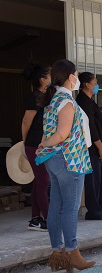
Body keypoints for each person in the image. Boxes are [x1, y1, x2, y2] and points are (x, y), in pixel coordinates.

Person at [35, 59, 96, 272]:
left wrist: (43, 146)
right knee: (70, 208)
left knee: (56, 207)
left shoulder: (53, 100)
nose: (78, 78)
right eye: (77, 75)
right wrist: (44, 143)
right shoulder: (67, 102)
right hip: (70, 159)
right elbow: (62, 134)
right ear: (71, 77)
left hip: (54, 160)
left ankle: (57, 254)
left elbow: (50, 131)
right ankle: (73, 253)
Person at [76, 72, 102, 220]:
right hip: (91, 148)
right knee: (93, 180)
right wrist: (100, 147)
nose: (97, 86)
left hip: (98, 147)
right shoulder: (82, 101)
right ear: (87, 84)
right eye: (95, 83)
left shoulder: (90, 100)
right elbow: (90, 128)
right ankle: (94, 211)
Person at [21, 63, 51, 231]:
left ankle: (35, 219)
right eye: (49, 75)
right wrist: (25, 143)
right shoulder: (34, 97)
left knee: (39, 181)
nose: (52, 78)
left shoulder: (45, 96)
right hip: (34, 144)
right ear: (42, 79)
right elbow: (26, 121)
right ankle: (48, 218)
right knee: (44, 180)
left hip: (42, 144)